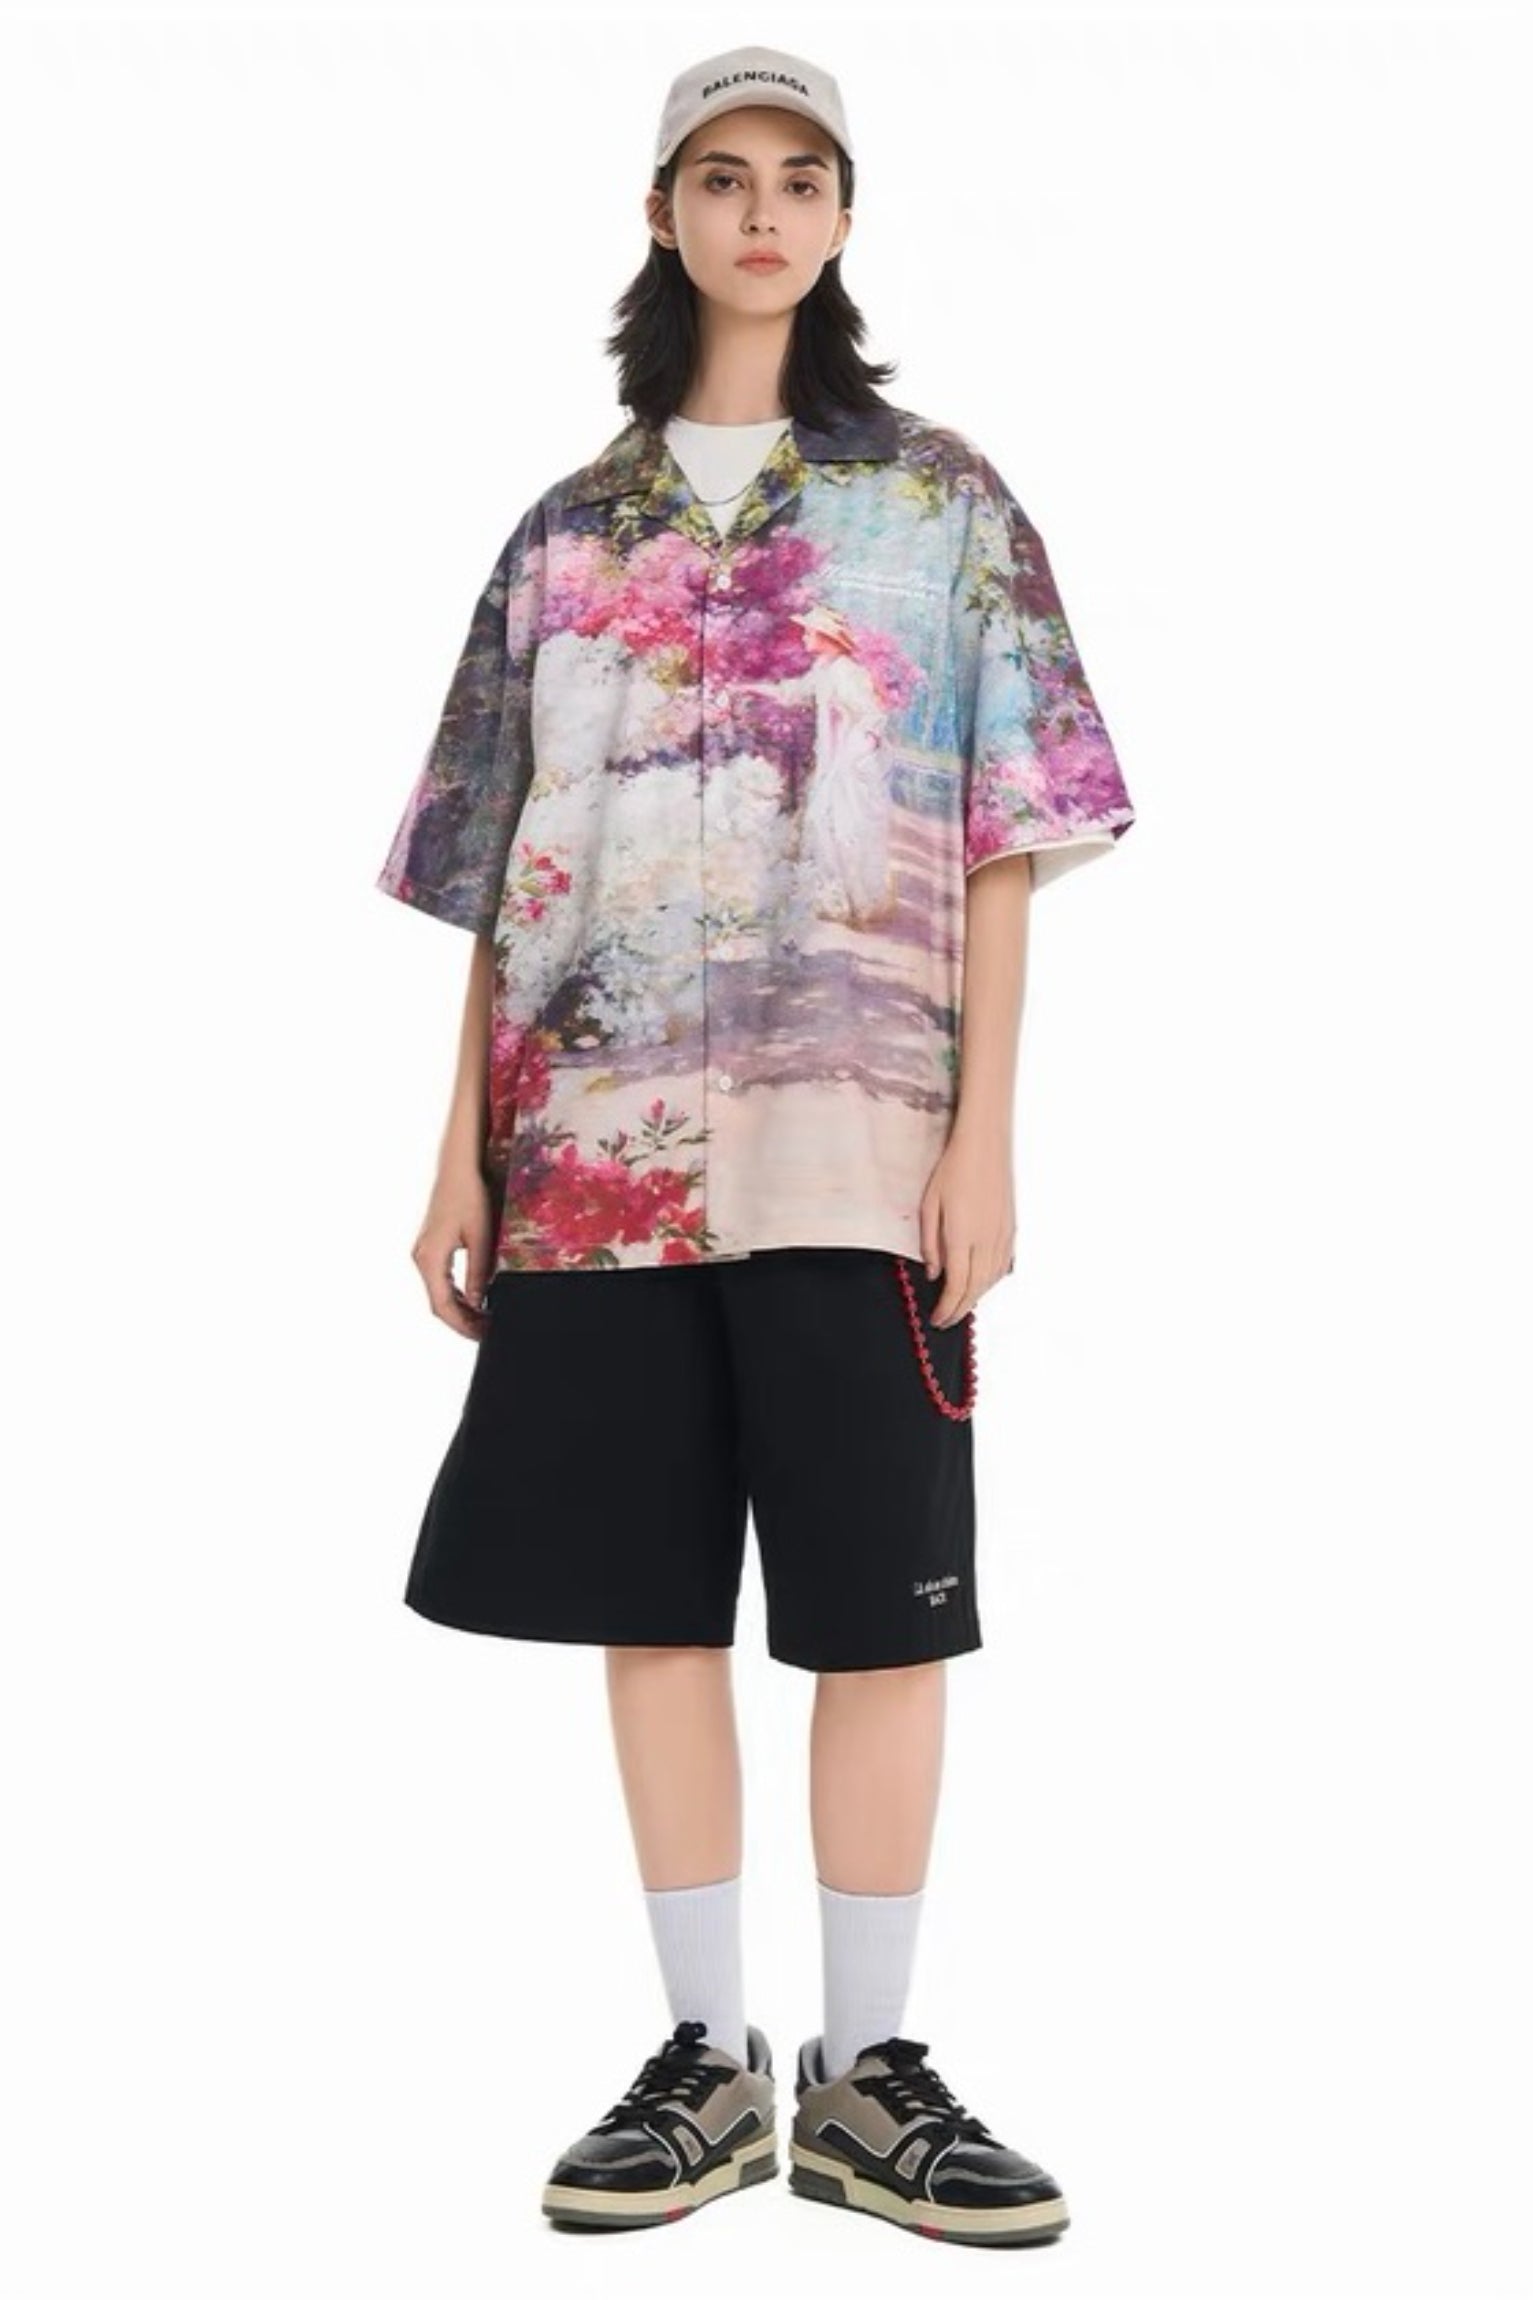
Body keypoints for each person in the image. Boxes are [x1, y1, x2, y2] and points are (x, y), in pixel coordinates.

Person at [375, 43, 1135, 2250]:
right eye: (723, 176)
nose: (764, 211)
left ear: (842, 218)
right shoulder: (563, 532)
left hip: (854, 1149)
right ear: (664, 214)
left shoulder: (940, 507)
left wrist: (984, 1139)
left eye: (803, 177)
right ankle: (702, 2059)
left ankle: (869, 2074)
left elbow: (1004, 833)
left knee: (880, 1613)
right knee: (646, 1600)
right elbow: (494, 866)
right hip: (590, 1152)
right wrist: (457, 1156)